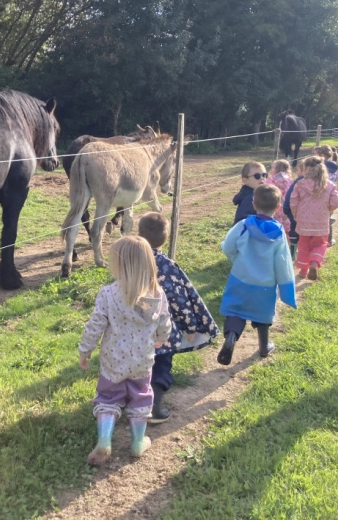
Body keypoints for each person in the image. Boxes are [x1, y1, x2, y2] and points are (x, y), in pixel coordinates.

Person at [78, 236, 172, 465]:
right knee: (140, 399)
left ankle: (104, 440)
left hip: (113, 360)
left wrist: (85, 349)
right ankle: (138, 442)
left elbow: (96, 324)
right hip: (142, 360)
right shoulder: (158, 295)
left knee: (108, 398)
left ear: (119, 264)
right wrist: (161, 339)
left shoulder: (109, 294)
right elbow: (165, 323)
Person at [137, 212, 220, 423]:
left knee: (137, 367)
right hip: (161, 332)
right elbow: (179, 299)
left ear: (138, 235)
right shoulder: (168, 267)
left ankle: (128, 402)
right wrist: (191, 326)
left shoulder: (130, 263)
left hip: (133, 330)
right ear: (166, 238)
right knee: (161, 366)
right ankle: (154, 407)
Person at [217, 184, 297, 366]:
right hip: (265, 284)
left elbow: (228, 245)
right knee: (262, 315)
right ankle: (263, 346)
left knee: (235, 311)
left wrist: (235, 259)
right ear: (277, 208)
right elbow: (283, 261)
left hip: (240, 278)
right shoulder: (278, 233)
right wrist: (285, 285)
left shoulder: (243, 225)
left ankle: (231, 337)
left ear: (254, 204)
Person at [289, 156, 338, 280]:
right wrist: (329, 208)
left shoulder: (300, 184)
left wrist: (296, 214)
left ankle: (303, 270)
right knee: (320, 243)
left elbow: (293, 201)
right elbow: (336, 201)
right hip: (321, 222)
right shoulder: (329, 185)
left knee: (303, 244)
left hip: (303, 222)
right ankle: (314, 262)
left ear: (306, 169)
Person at [313, 145, 338, 246]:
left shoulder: (317, 168)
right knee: (327, 218)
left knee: (315, 217)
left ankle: (315, 239)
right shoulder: (336, 168)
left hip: (317, 197)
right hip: (330, 198)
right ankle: (329, 240)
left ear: (321, 155)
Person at [281, 158, 306, 261]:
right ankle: (304, 255)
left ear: (304, 171)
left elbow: (289, 196)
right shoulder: (318, 182)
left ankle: (292, 254)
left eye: (298, 170)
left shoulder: (298, 182)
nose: (297, 173)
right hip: (309, 214)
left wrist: (286, 208)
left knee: (294, 230)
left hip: (294, 211)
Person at [266, 159, 293, 234]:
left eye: (273, 167)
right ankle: (287, 244)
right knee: (286, 229)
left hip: (275, 207)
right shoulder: (290, 180)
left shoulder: (271, 181)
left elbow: (265, 189)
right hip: (287, 208)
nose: (271, 169)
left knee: (275, 227)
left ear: (277, 169)